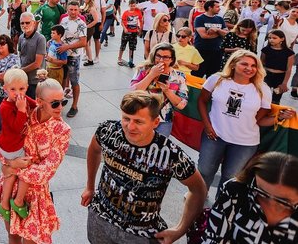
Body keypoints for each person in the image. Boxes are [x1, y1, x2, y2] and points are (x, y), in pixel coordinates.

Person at [82, 90, 207, 243]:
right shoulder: (108, 131)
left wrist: (180, 229)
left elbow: (199, 190)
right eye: (126, 119)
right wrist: (89, 186)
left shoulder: (172, 155)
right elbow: (94, 150)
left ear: (155, 122)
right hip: (100, 220)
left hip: (140, 234)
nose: (130, 127)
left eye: (139, 121)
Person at [0, 78, 71, 244]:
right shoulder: (24, 114)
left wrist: (12, 166)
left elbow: (46, 171)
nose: (60, 108)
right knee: (12, 235)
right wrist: (9, 164)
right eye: (55, 104)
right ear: (39, 101)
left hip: (36, 195)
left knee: (31, 241)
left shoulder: (62, 130)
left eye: (63, 102)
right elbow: (2, 145)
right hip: (12, 189)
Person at [196, 50, 284, 195]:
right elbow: (201, 101)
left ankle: (219, 208)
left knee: (230, 179)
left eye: (253, 65)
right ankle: (197, 201)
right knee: (204, 171)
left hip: (245, 143)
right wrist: (207, 126)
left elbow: (258, 120)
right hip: (214, 135)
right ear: (233, 64)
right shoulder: (216, 79)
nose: (249, 68)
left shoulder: (263, 89)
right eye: (244, 64)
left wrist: (279, 118)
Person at [203, 152, 298, 243]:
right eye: (262, 193)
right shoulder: (236, 191)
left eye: (284, 201)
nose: (270, 204)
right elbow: (214, 236)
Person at [0, 69, 37, 222]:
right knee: (27, 168)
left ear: (26, 87)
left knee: (11, 174)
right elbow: (17, 127)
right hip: (11, 146)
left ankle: (5, 204)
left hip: (13, 144)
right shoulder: (5, 107)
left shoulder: (22, 98)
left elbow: (34, 104)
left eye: (22, 89)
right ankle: (16, 202)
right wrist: (21, 110)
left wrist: (38, 107)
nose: (18, 93)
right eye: (13, 89)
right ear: (5, 89)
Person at [130, 42, 188, 137]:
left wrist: (167, 91)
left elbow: (181, 105)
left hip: (164, 121)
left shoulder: (179, 77)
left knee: (156, 147)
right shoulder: (143, 70)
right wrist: (151, 75)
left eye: (166, 57)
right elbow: (133, 92)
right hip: (140, 117)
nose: (161, 60)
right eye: (158, 56)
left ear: (172, 59)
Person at [60, 0, 87, 118]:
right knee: (62, 78)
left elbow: (83, 42)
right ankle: (60, 100)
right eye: (71, 9)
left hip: (73, 56)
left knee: (74, 80)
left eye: (75, 10)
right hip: (62, 55)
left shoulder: (81, 24)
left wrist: (67, 47)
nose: (73, 12)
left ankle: (74, 106)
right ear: (67, 9)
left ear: (79, 10)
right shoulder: (64, 20)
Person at [193, 0, 228, 78]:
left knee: (213, 76)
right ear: (210, 7)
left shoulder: (220, 19)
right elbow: (204, 35)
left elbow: (226, 34)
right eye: (217, 7)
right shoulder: (200, 18)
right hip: (202, 51)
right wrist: (219, 34)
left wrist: (217, 30)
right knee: (198, 74)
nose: (219, 8)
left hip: (217, 52)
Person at [261, 29, 295, 104]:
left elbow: (289, 69)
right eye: (269, 38)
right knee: (263, 97)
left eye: (274, 38)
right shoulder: (265, 50)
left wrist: (284, 83)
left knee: (276, 100)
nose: (271, 40)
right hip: (267, 75)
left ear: (282, 39)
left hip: (280, 77)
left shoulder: (289, 53)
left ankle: (273, 114)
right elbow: (261, 64)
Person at [18, 12, 46, 99]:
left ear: (33, 23)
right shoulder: (21, 37)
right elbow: (20, 55)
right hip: (23, 79)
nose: (24, 25)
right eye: (22, 23)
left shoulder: (40, 38)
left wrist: (21, 71)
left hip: (35, 80)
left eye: (27, 22)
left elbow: (37, 63)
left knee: (35, 107)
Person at [117, 0, 142, 68]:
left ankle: (131, 60)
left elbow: (140, 20)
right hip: (127, 32)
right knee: (123, 46)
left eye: (134, 6)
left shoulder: (137, 12)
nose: (133, 7)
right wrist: (124, 28)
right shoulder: (126, 12)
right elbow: (122, 22)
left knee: (132, 47)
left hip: (134, 32)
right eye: (131, 6)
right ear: (129, 5)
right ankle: (119, 58)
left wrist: (139, 28)